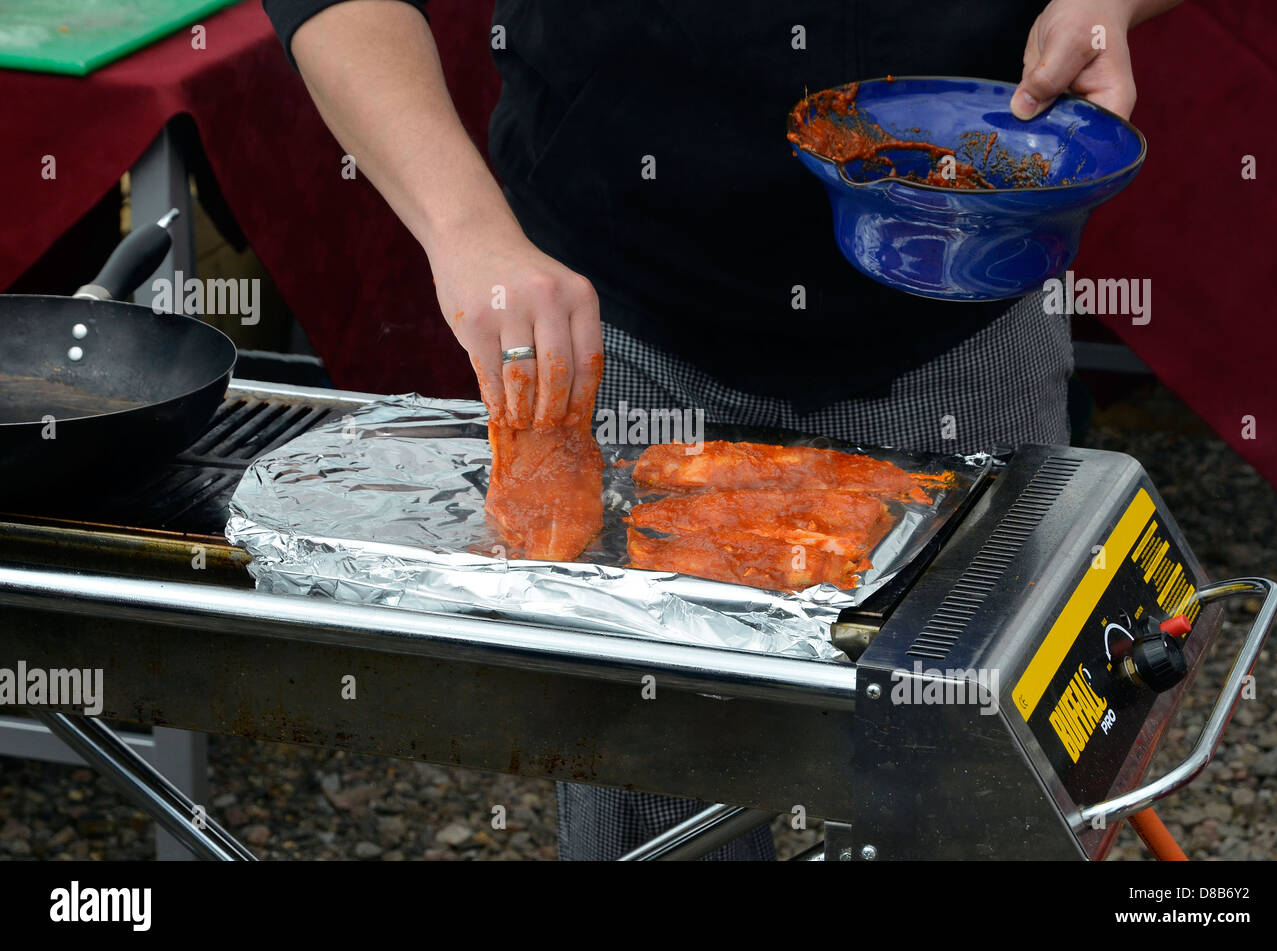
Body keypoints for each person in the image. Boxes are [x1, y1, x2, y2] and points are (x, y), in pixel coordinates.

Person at [262, 0, 1180, 860]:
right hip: (615, 308)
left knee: (981, 807)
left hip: (967, 287)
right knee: (658, 808)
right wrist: (465, 228)